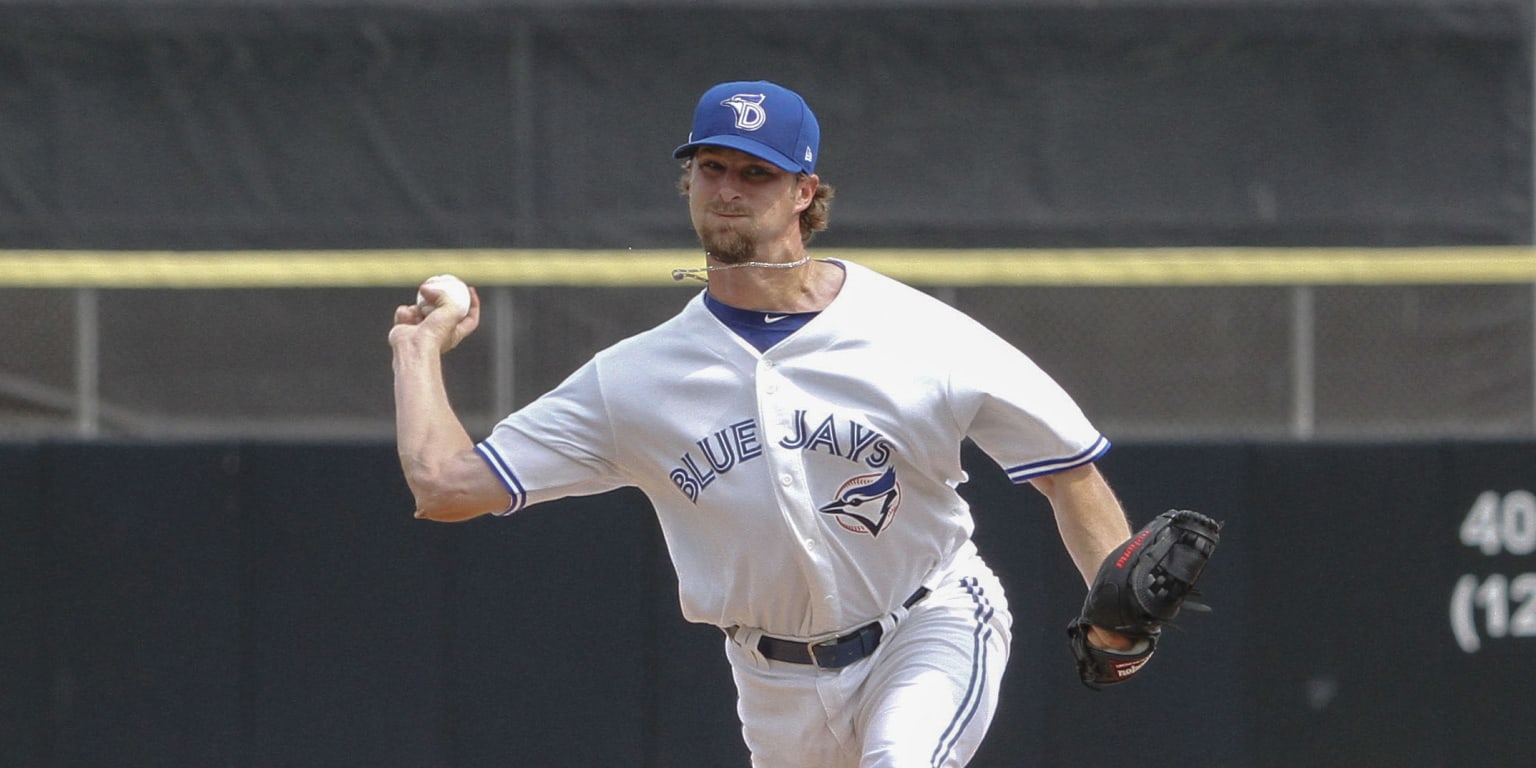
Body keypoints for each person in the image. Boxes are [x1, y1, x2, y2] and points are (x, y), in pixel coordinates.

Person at [390, 80, 1136, 768]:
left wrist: (1121, 612)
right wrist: (416, 350)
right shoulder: (635, 379)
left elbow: (1070, 472)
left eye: (757, 174)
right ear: (689, 183)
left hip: (927, 623)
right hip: (772, 682)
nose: (729, 189)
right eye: (712, 167)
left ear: (804, 192)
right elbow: (444, 487)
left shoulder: (917, 332)